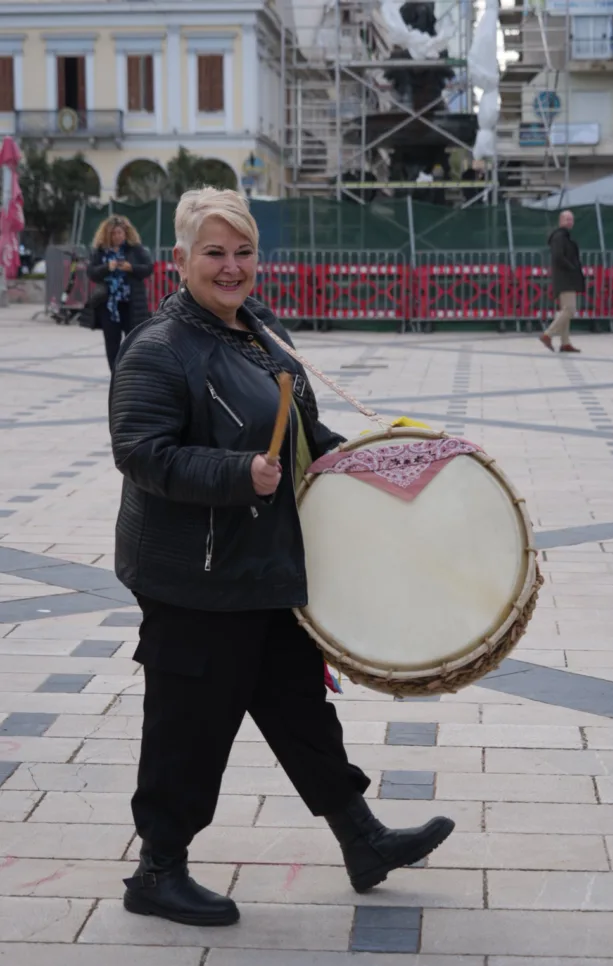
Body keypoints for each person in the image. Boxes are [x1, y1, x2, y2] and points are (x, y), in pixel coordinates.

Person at [109, 187, 455, 927]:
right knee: (189, 726)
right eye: (215, 253)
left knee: (300, 709)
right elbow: (140, 454)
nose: (232, 268)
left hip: (263, 568)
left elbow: (300, 430)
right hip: (194, 581)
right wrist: (237, 475)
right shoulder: (159, 347)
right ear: (179, 260)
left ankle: (361, 839)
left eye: (244, 253)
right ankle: (157, 871)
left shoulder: (259, 332)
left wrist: (374, 459)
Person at [81, 215, 153, 371]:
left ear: (126, 233)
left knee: (133, 341)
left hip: (131, 303)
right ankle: (115, 374)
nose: (117, 236)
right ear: (107, 235)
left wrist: (131, 268)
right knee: (112, 342)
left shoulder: (135, 249)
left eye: (120, 233)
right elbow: (92, 273)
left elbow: (148, 268)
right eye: (113, 233)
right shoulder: (100, 252)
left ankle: (130, 374)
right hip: (108, 304)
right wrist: (107, 267)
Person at [540, 209, 585, 354]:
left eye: (571, 219)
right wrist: (571, 268)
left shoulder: (563, 236)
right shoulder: (559, 237)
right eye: (567, 219)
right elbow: (559, 257)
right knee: (570, 310)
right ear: (560, 221)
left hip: (566, 278)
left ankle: (565, 343)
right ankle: (548, 334)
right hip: (565, 278)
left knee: (566, 309)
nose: (570, 222)